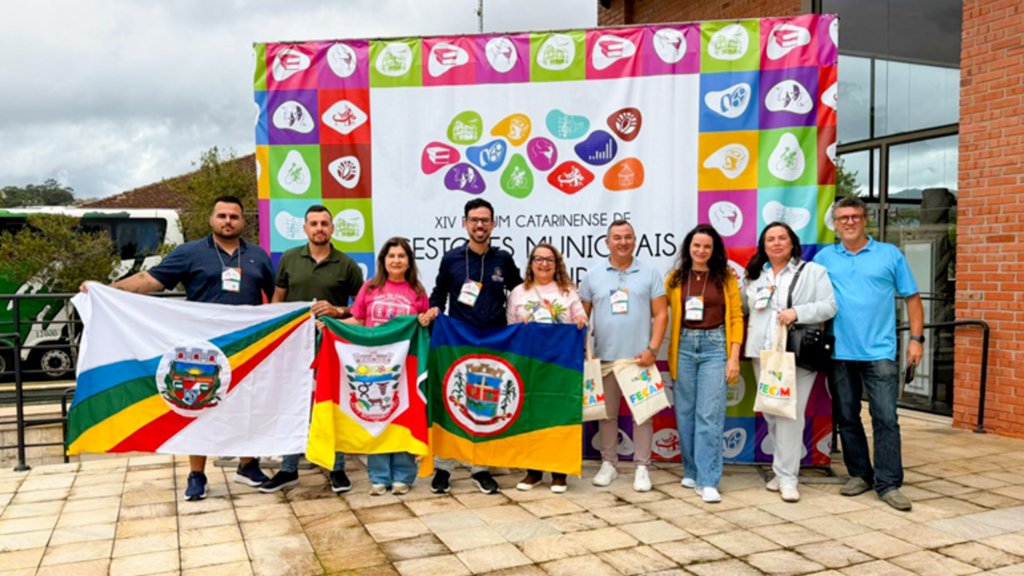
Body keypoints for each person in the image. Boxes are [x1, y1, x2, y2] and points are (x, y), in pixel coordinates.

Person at [80, 196, 275, 501]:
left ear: (242, 222)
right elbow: (150, 280)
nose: (228, 221)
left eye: (234, 216)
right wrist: (107, 290)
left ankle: (247, 465)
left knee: (244, 403)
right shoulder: (190, 252)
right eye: (222, 215)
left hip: (246, 347)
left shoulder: (258, 256)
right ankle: (197, 474)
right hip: (202, 349)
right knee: (197, 406)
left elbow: (275, 298)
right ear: (211, 219)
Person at [815, 196, 923, 512]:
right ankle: (860, 474)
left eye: (855, 216)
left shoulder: (889, 254)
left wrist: (917, 340)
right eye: (843, 217)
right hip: (839, 352)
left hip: (880, 352)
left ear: (865, 220)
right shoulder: (824, 259)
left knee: (886, 418)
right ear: (835, 224)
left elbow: (913, 299)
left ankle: (888, 483)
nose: (850, 222)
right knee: (847, 417)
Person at [259, 205, 364, 495]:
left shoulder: (347, 264)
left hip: (331, 344)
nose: (319, 228)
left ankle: (336, 468)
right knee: (293, 404)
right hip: (294, 345)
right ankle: (288, 469)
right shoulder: (290, 258)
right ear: (305, 228)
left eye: (324, 223)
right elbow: (278, 300)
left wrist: (338, 310)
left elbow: (362, 307)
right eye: (314, 223)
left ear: (332, 229)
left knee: (332, 405)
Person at [421, 198, 523, 494]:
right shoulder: (451, 258)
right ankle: (444, 467)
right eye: (474, 220)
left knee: (485, 403)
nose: (480, 225)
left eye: (485, 220)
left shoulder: (503, 259)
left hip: (494, 342)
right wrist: (434, 309)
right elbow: (439, 294)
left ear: (493, 224)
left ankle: (481, 469)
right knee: (453, 401)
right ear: (465, 223)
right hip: (457, 342)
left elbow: (520, 292)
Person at [744, 222, 836, 503]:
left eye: (782, 238)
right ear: (763, 246)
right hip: (763, 355)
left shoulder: (813, 272)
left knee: (789, 415)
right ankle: (780, 470)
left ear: (792, 242)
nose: (776, 243)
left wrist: (797, 312)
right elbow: (745, 308)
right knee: (772, 413)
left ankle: (788, 478)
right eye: (770, 239)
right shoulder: (755, 277)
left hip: (797, 355)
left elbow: (829, 306)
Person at [580, 220, 668, 493]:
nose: (623, 242)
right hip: (605, 359)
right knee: (607, 416)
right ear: (607, 242)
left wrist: (653, 349)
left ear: (635, 240)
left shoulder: (650, 273)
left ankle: (642, 467)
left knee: (643, 415)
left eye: (628, 237)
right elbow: (582, 318)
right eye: (617, 238)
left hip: (639, 359)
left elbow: (661, 314)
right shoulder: (592, 276)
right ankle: (609, 464)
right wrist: (585, 352)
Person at [345, 237, 433, 496]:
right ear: (383, 260)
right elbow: (358, 320)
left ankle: (403, 476)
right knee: (377, 416)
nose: (396, 260)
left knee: (404, 417)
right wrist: (330, 325)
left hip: (405, 366)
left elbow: (423, 325)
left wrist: (427, 319)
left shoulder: (417, 291)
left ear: (409, 262)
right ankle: (379, 476)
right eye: (391, 256)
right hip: (373, 365)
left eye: (401, 256)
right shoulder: (370, 287)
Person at [665, 224, 743, 503]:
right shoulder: (675, 279)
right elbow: (658, 310)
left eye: (707, 246)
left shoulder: (725, 278)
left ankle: (708, 480)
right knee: (685, 413)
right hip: (683, 348)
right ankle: (691, 471)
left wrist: (733, 356)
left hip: (715, 346)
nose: (701, 250)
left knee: (709, 414)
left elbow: (736, 317)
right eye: (696, 245)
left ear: (714, 250)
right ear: (688, 248)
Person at [506, 243, 587, 494]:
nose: (543, 264)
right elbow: (511, 328)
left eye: (549, 260)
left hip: (560, 366)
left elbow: (581, 319)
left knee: (559, 417)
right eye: (538, 259)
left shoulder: (568, 291)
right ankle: (533, 472)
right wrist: (521, 327)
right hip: (530, 366)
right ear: (531, 264)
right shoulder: (518, 292)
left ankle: (559, 473)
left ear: (557, 264)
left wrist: (581, 320)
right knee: (531, 417)